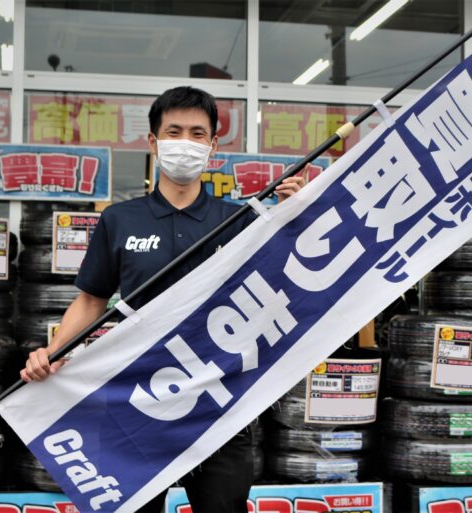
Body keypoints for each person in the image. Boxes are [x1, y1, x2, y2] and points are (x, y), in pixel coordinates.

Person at [20, 86, 305, 513]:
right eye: (174, 132)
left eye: (197, 133)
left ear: (213, 145)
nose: (185, 142)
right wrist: (54, 352)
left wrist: (294, 218)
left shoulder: (241, 220)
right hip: (138, 404)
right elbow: (92, 300)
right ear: (153, 142)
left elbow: (284, 287)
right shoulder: (120, 219)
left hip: (219, 403)